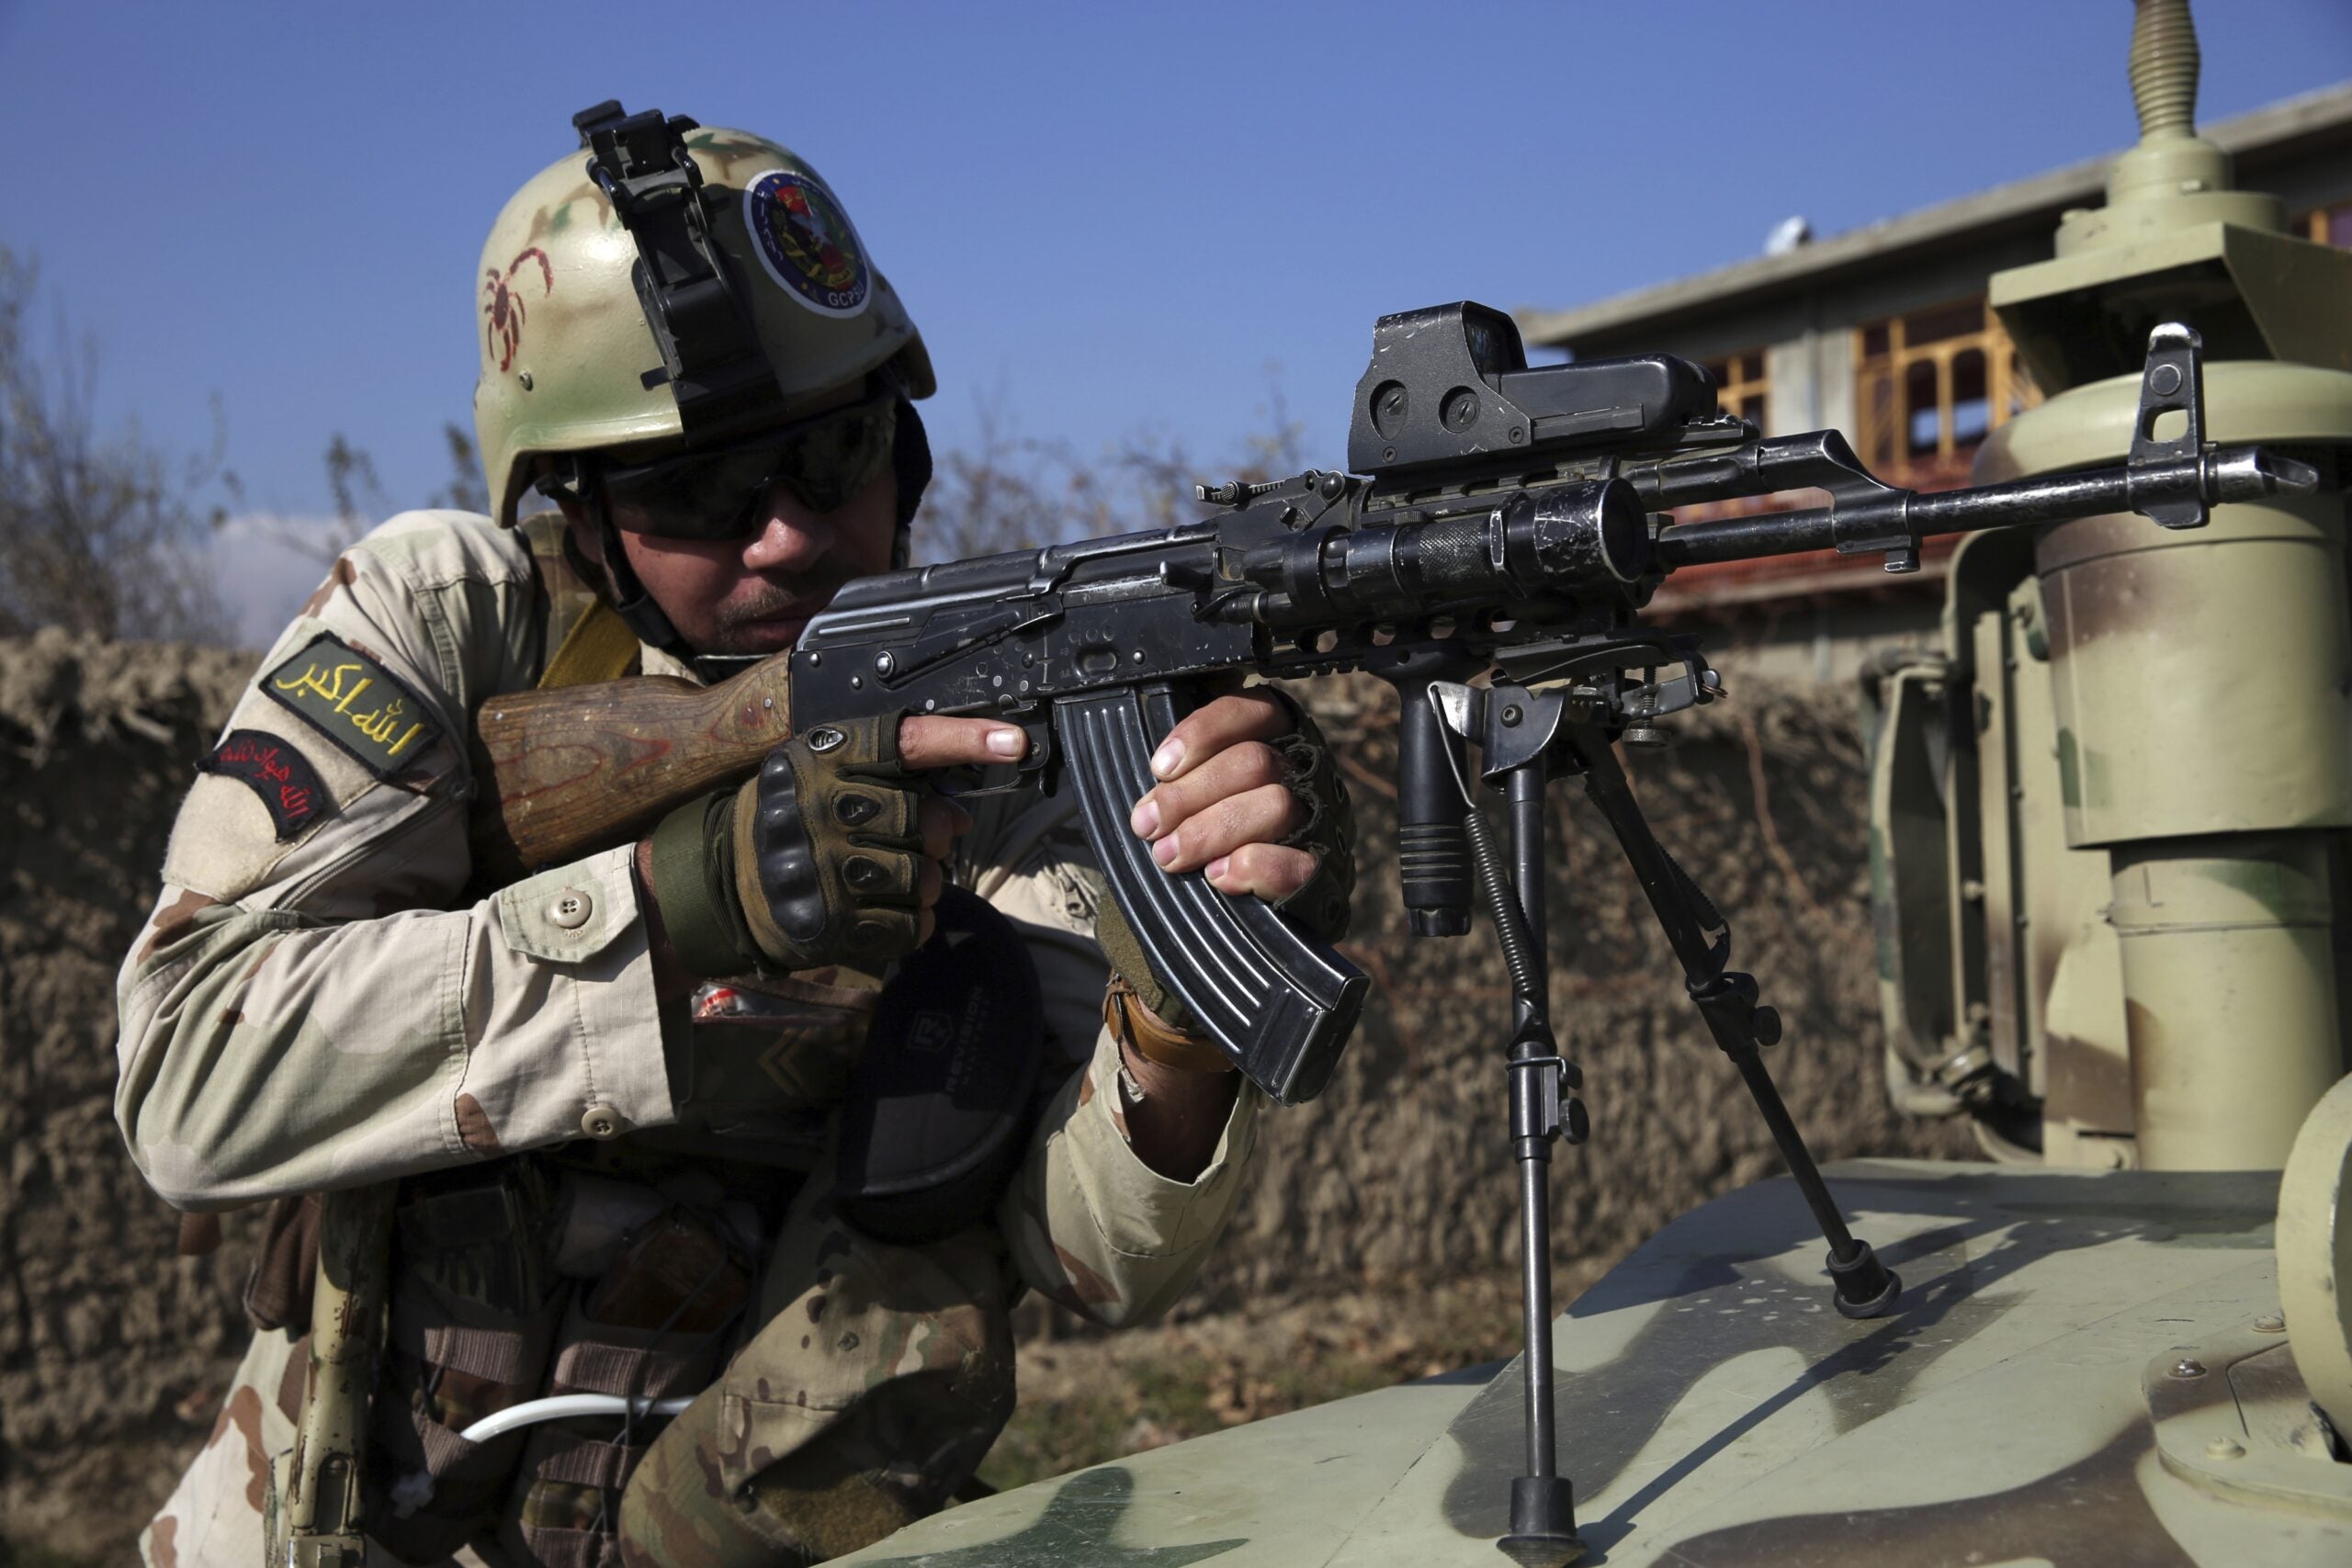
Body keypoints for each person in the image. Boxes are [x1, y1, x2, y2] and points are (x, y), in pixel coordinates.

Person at [116, 105, 1352, 1568]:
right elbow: (185, 1080)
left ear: (907, 442)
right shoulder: (451, 623)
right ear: (578, 510)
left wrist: (1177, 1010)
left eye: (832, 454)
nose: (781, 535)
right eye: (696, 492)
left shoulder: (1002, 734)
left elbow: (1078, 1252)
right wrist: (684, 901)